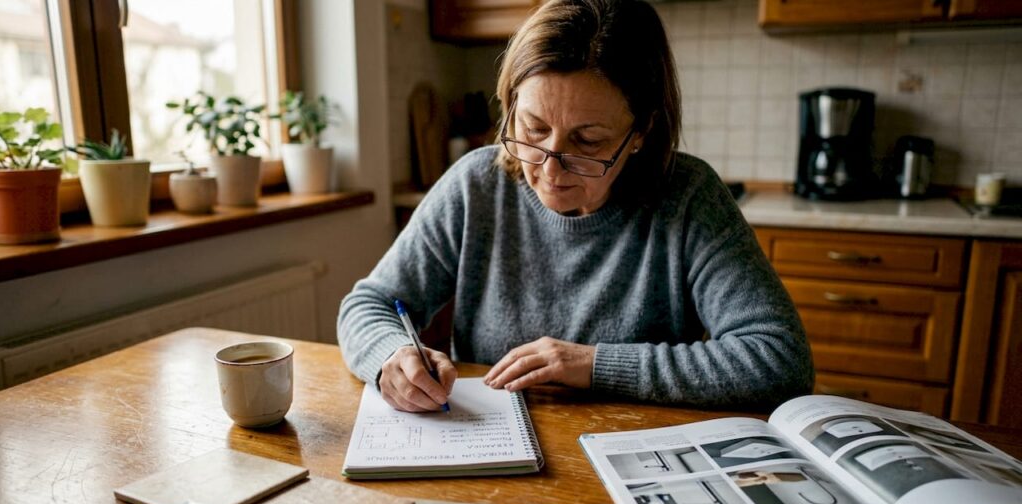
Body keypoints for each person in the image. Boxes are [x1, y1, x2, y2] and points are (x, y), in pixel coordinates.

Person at [339, 0, 813, 412]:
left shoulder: (689, 197)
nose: (549, 170)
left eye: (587, 142)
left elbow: (778, 359)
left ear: (640, 133)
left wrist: (593, 364)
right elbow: (369, 304)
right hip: (492, 452)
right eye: (532, 129)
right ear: (509, 104)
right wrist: (391, 355)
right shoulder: (475, 184)